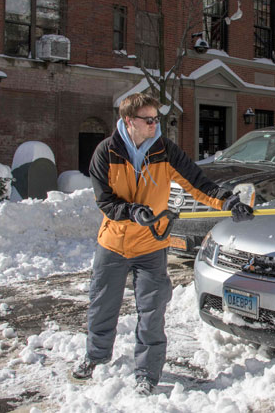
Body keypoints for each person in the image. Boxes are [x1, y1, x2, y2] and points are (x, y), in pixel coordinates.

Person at [72, 93, 253, 395]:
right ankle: (96, 356)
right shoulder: (106, 152)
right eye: (149, 120)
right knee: (102, 305)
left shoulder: (164, 151)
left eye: (157, 118)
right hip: (113, 244)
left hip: (151, 245)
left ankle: (147, 372)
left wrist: (227, 200)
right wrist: (131, 211)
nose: (156, 124)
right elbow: (105, 201)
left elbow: (198, 182)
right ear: (129, 121)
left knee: (153, 310)